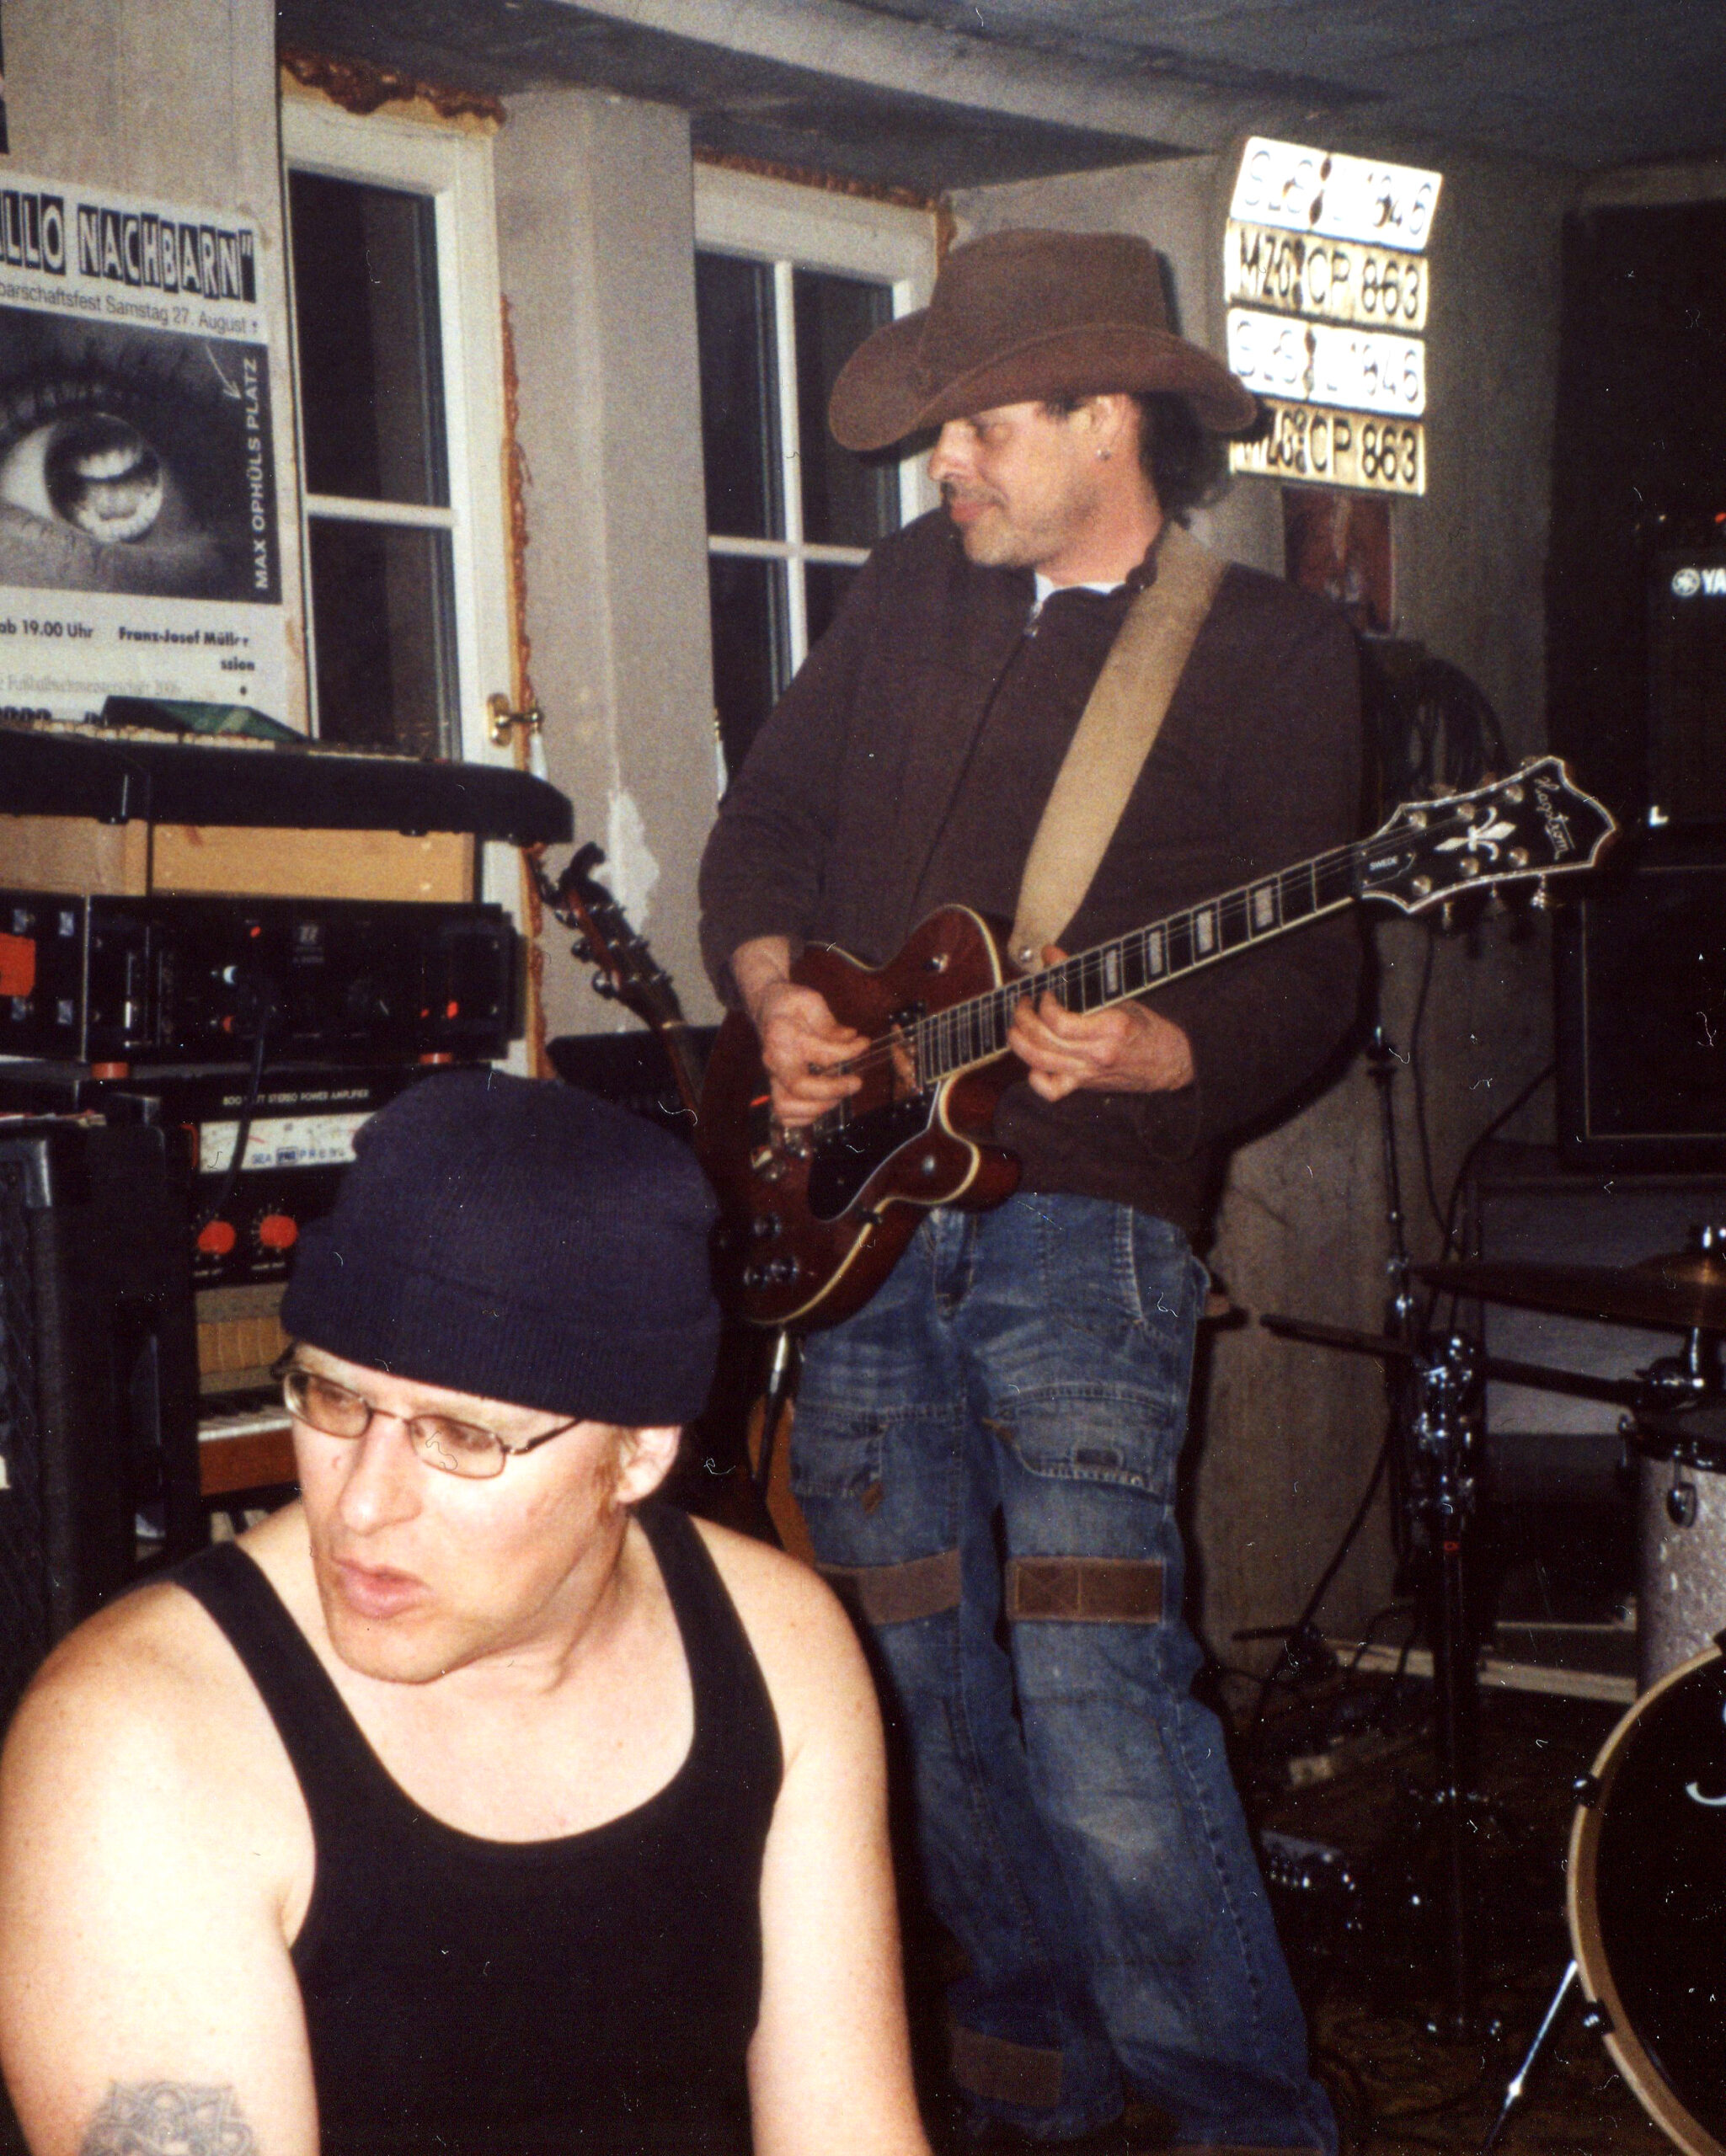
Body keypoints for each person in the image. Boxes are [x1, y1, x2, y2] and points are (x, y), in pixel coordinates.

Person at [698, 228, 1362, 2153]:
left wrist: (1168, 1050)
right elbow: (766, 827)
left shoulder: (1269, 648)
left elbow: (1315, 975)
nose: (943, 466)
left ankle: (1240, 2119)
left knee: (1090, 1681)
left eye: (978, 427)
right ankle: (1027, 2092)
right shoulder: (907, 592)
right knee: (907, 1679)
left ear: (1105, 419)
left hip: (1082, 1214)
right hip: (847, 1213)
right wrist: (774, 993)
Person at [0, 1071, 932, 2156]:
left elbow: (849, 2131)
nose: (361, 1504)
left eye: (461, 1437)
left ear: (639, 1452)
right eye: (334, 1398)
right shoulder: (140, 1746)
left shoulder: (780, 1644)